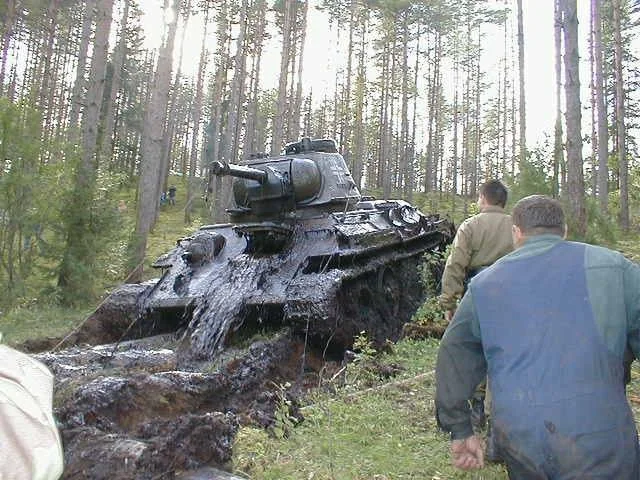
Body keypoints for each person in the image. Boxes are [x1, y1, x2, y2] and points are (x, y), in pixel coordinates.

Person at [435, 195, 640, 479]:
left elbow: (454, 355)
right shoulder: (615, 269)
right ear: (564, 230)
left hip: (521, 437)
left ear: (516, 232)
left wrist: (460, 429)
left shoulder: (483, 285)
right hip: (600, 432)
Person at [439, 179, 513, 429]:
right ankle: (502, 413)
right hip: (512, 293)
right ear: (503, 201)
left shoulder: (471, 226)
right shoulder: (517, 226)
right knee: (506, 351)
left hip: (479, 293)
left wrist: (448, 301)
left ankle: (477, 407)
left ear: (483, 198)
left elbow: (455, 264)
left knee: (475, 350)